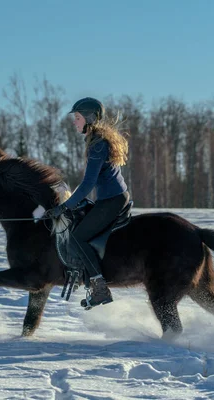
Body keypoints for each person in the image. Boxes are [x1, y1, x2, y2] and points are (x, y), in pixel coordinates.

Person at [45, 97, 130, 309]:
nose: (75, 122)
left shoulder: (98, 144)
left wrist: (64, 207)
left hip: (112, 201)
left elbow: (87, 185)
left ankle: (100, 288)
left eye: (77, 117)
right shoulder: (96, 140)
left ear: (90, 118)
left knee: (76, 238)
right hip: (109, 198)